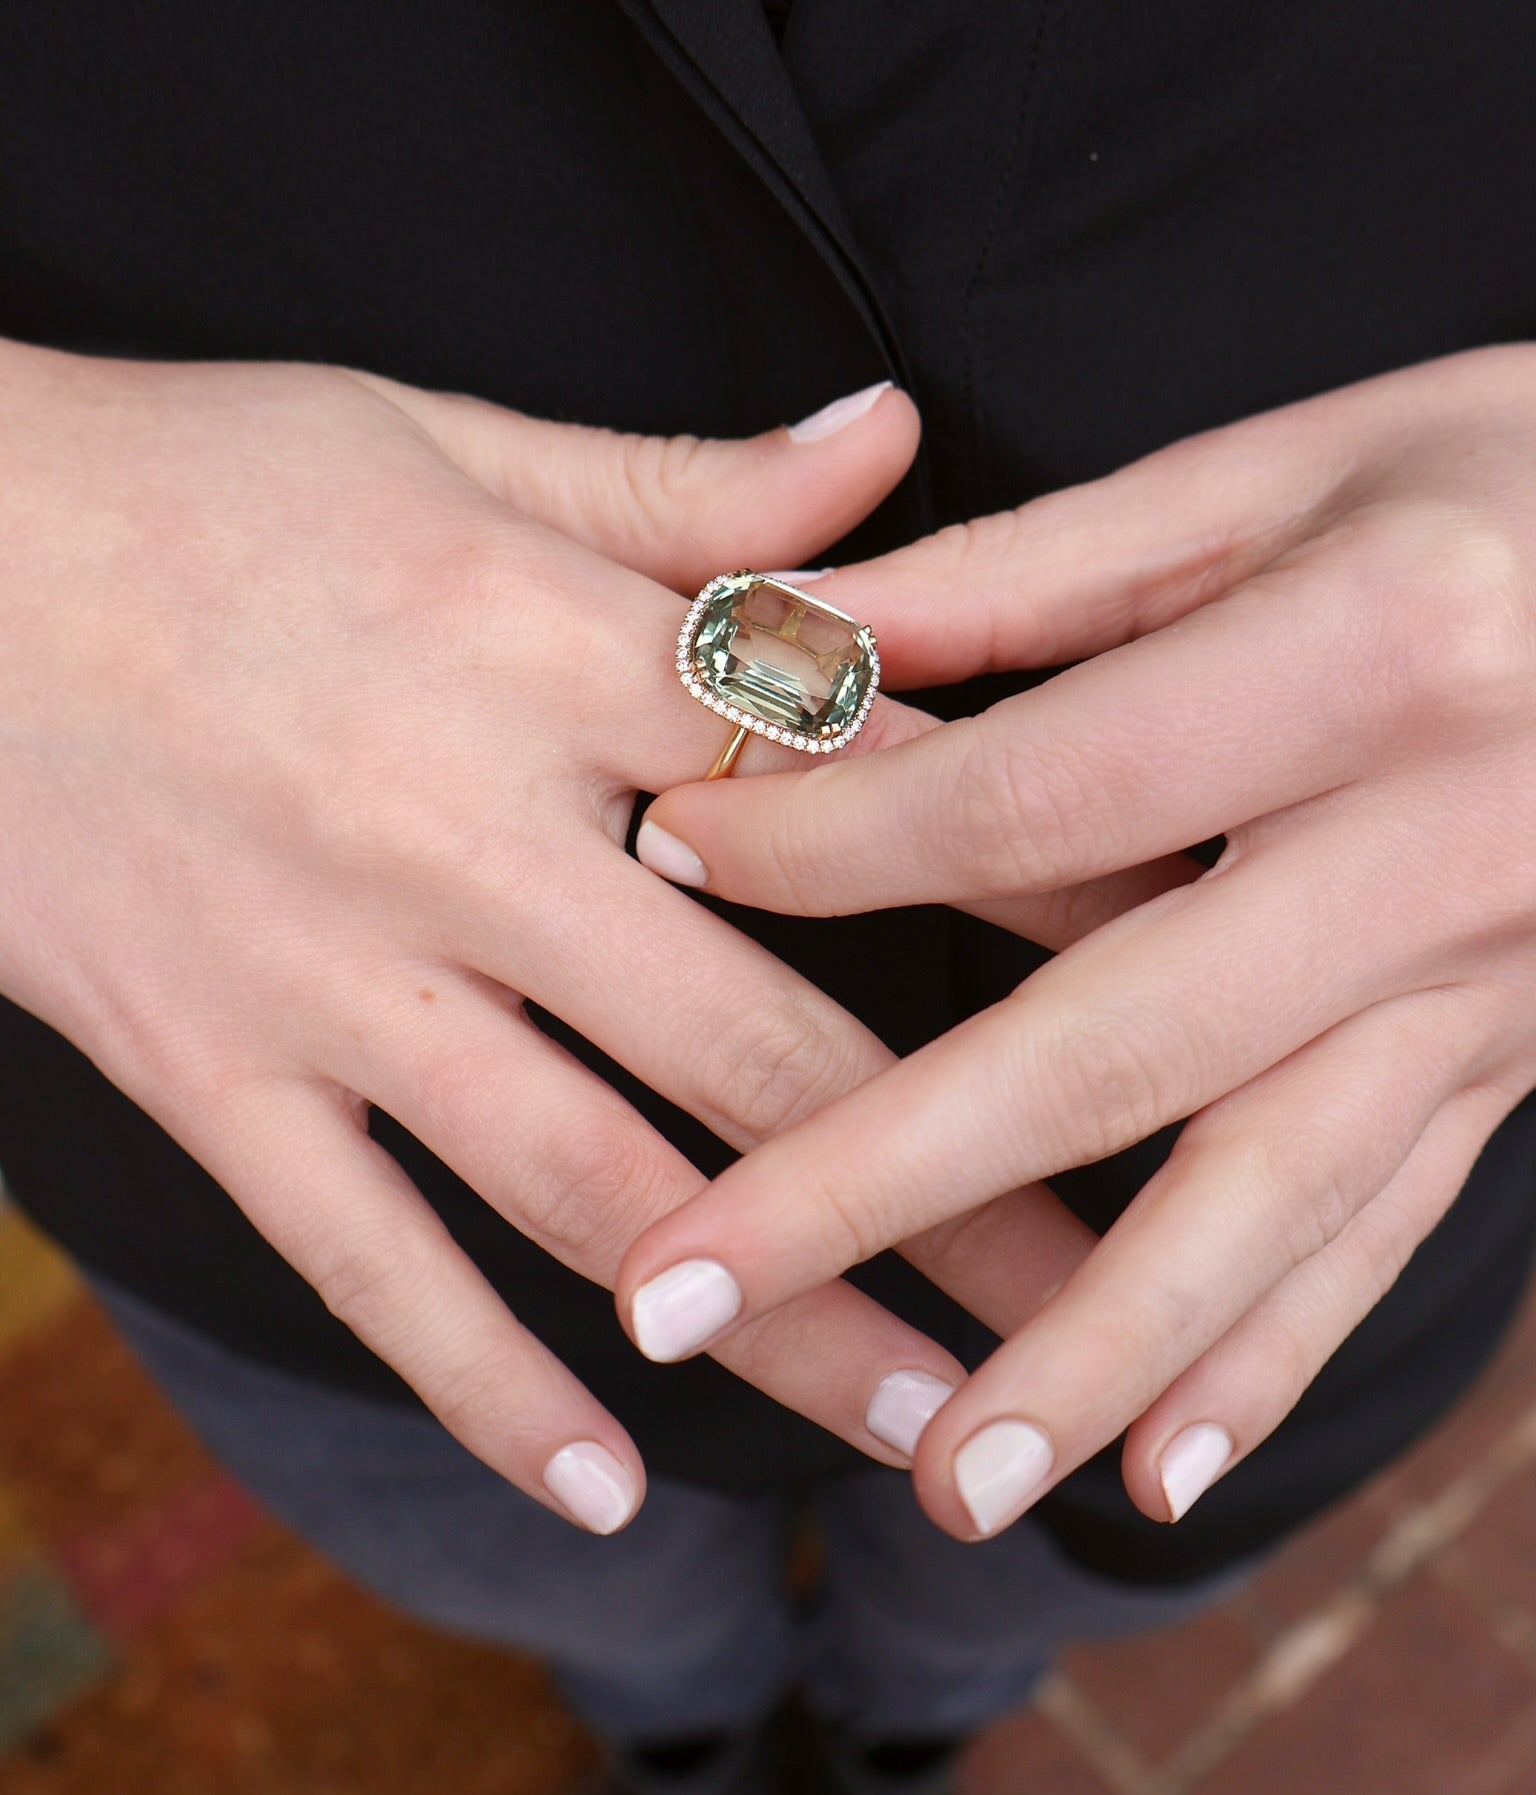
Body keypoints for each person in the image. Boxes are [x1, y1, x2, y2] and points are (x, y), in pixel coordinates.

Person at [3, 3, 1535, 1790]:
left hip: (1364, 1054)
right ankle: (686, 1743)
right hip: (270, 1073)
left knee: (999, 1609)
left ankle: (899, 1740)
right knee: (593, 1604)